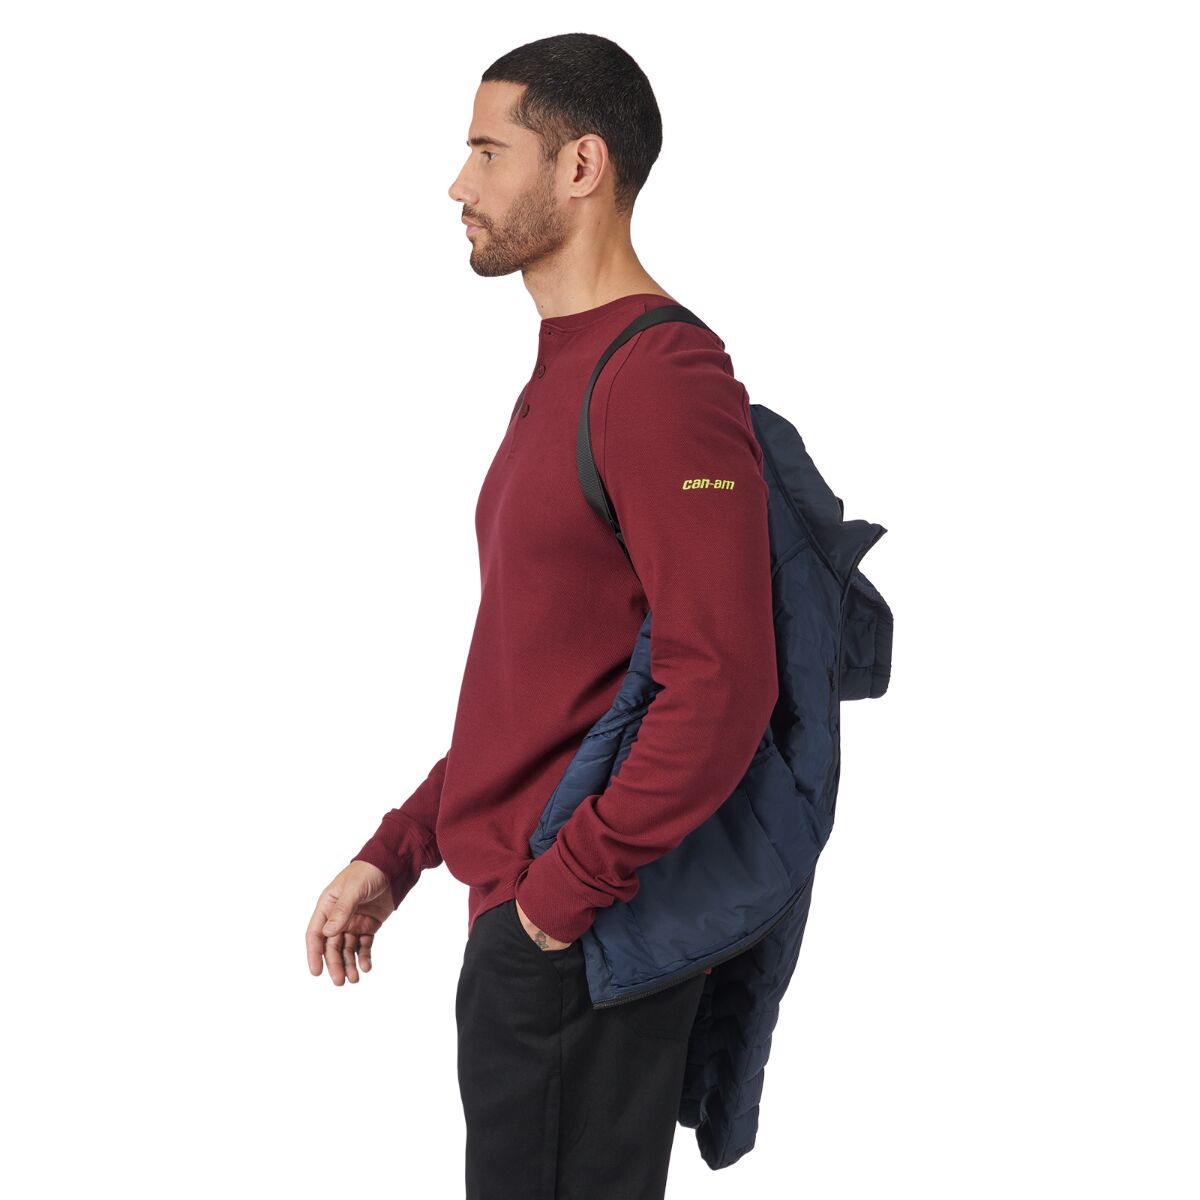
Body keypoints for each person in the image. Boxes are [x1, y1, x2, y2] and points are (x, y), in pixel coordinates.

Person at [305, 32, 777, 1200]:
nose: (456, 185)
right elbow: (543, 680)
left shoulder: (659, 381)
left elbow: (722, 683)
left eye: (485, 151)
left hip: (580, 946)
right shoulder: (571, 366)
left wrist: (556, 906)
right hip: (531, 934)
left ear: (580, 166)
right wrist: (401, 848)